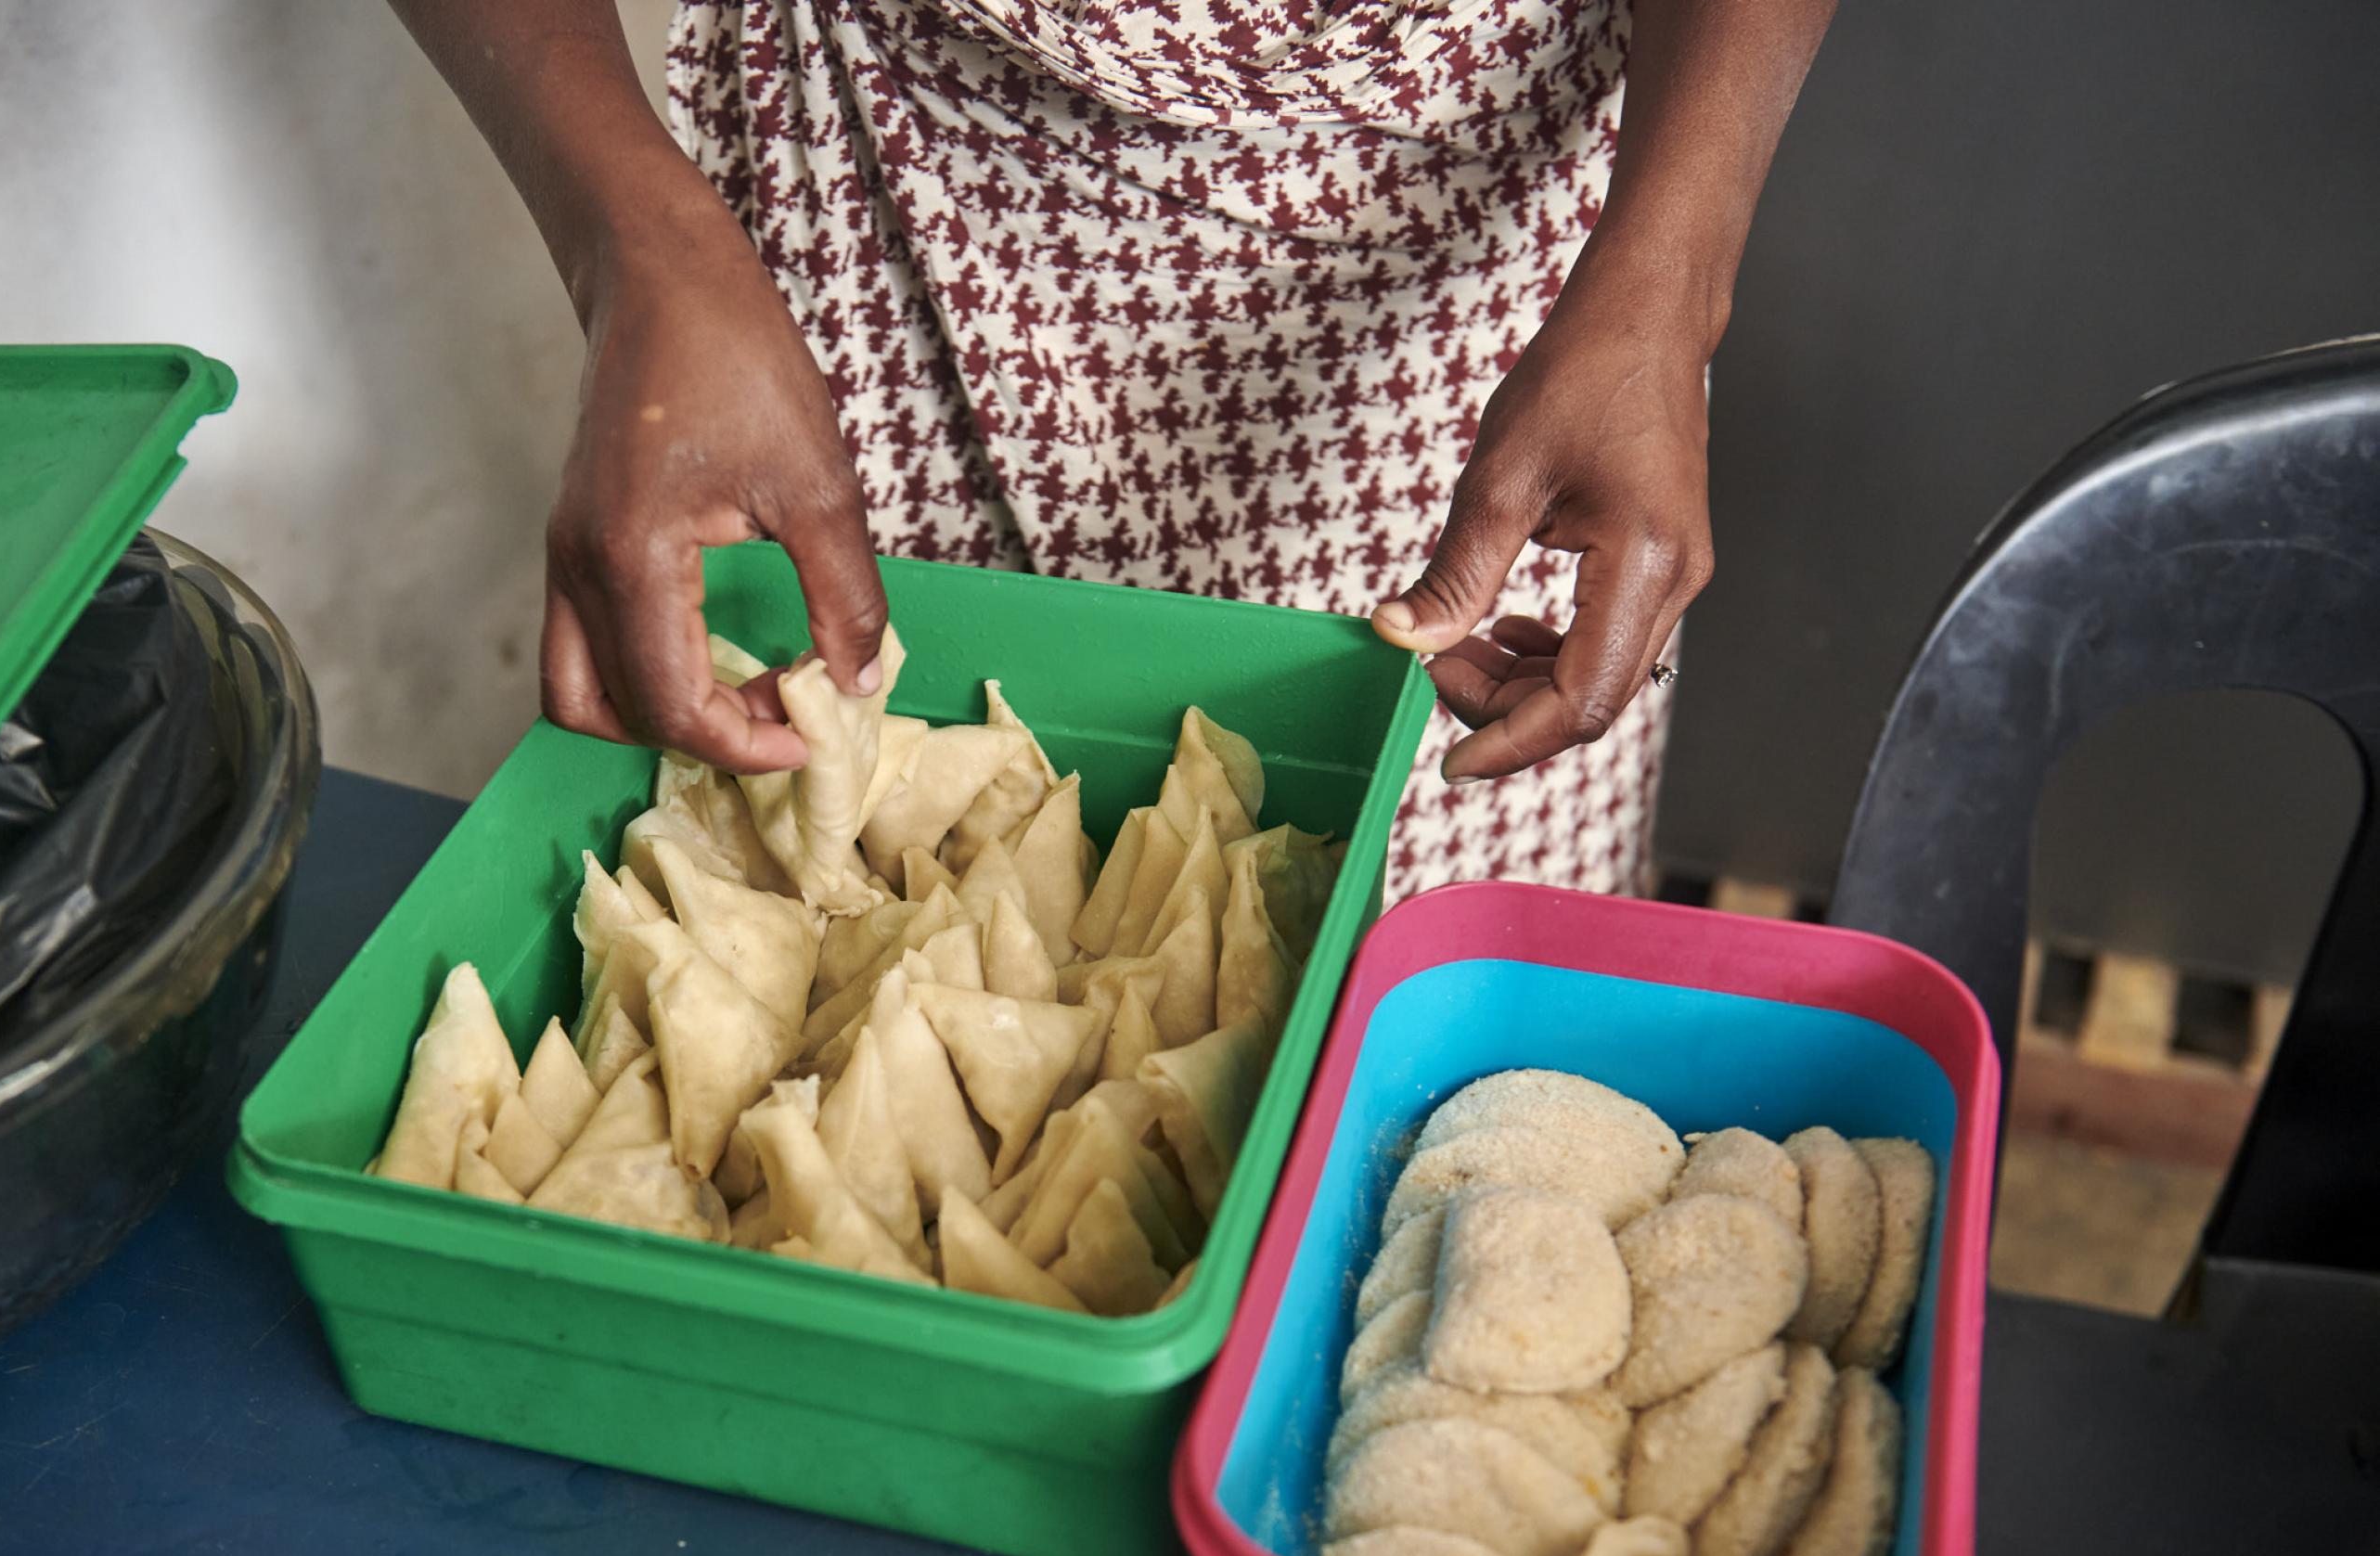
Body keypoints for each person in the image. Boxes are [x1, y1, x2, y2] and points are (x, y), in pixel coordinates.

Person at [393, 0, 1834, 896]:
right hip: (877, 202)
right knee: (835, 909)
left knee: (1433, 1082)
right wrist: (635, 248)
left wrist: (1667, 287)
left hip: (1486, 274)